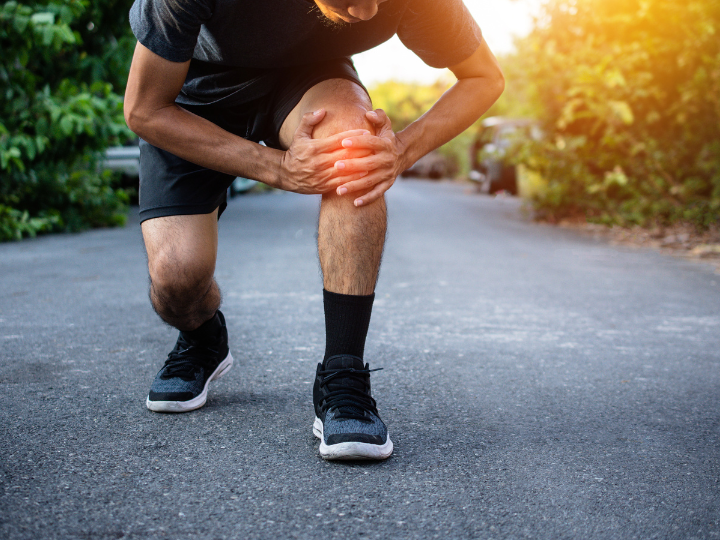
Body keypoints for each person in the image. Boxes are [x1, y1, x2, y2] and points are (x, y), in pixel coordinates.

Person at [124, 0, 504, 461]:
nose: (366, 11)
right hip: (193, 94)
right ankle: (203, 338)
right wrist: (278, 169)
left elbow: (485, 77)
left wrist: (400, 150)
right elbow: (144, 109)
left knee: (354, 150)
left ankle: (342, 375)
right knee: (177, 277)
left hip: (310, 80)